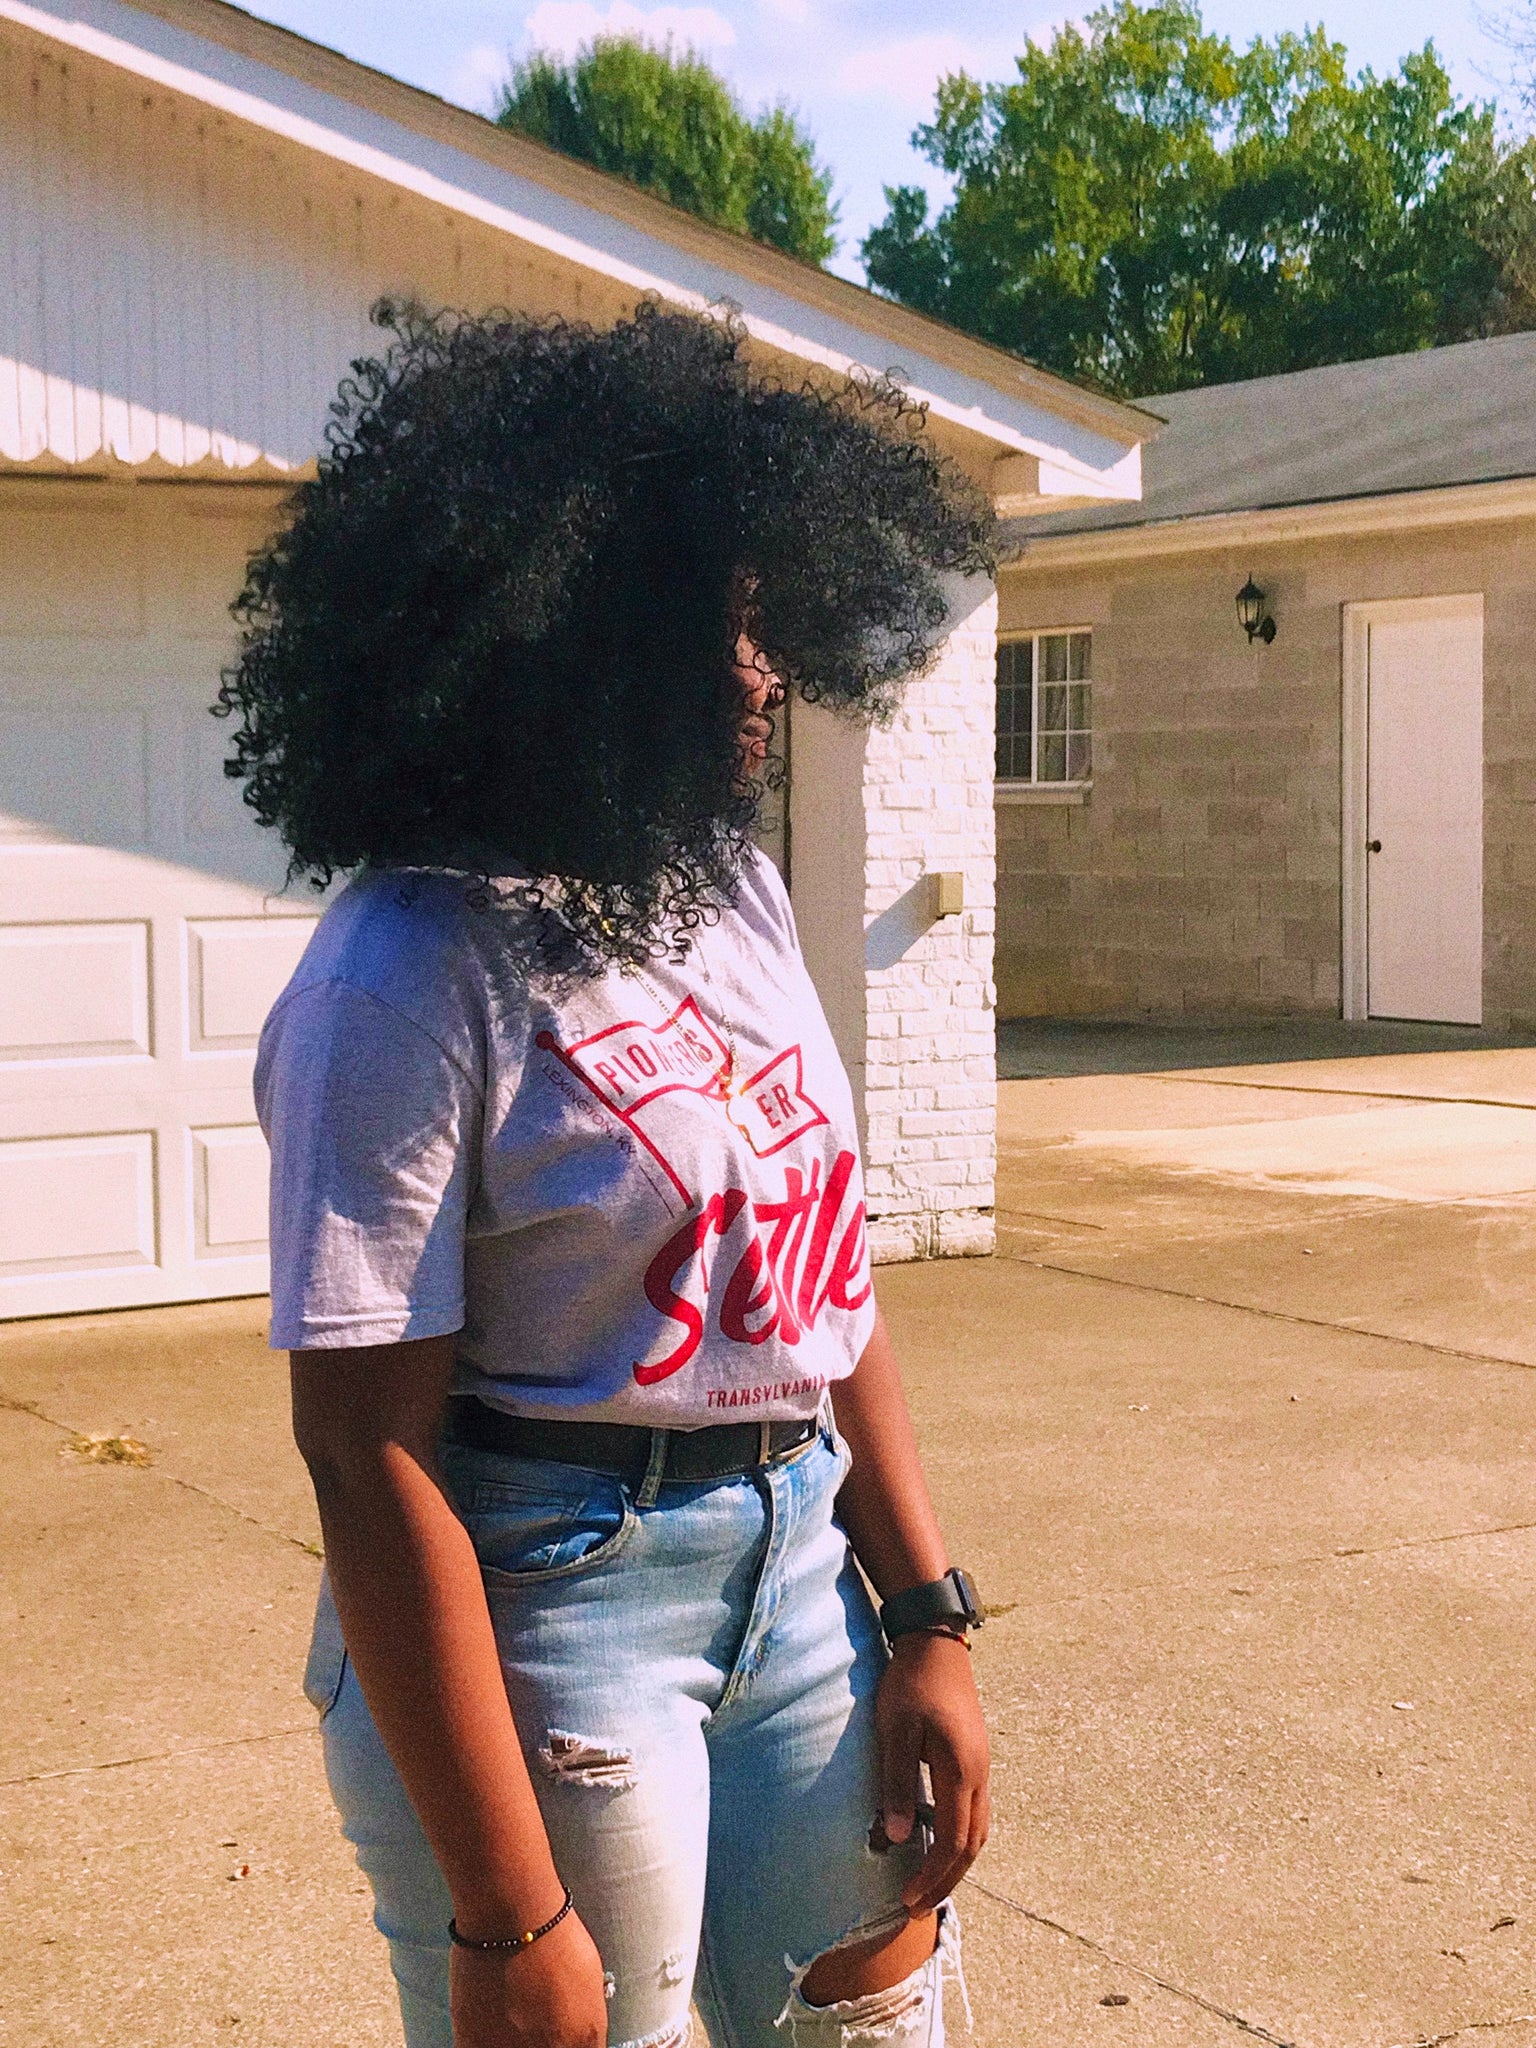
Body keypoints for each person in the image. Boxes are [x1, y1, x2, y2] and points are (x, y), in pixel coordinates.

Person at [231, 299, 995, 2048]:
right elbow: (362, 1452)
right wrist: (505, 1918)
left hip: (800, 1565)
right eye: (718, 623)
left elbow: (819, 1281)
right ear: (569, 633)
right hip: (544, 1604)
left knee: (874, 2018)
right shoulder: (402, 974)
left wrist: (927, 1612)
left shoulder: (728, 885)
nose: (764, 668)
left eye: (763, 618)